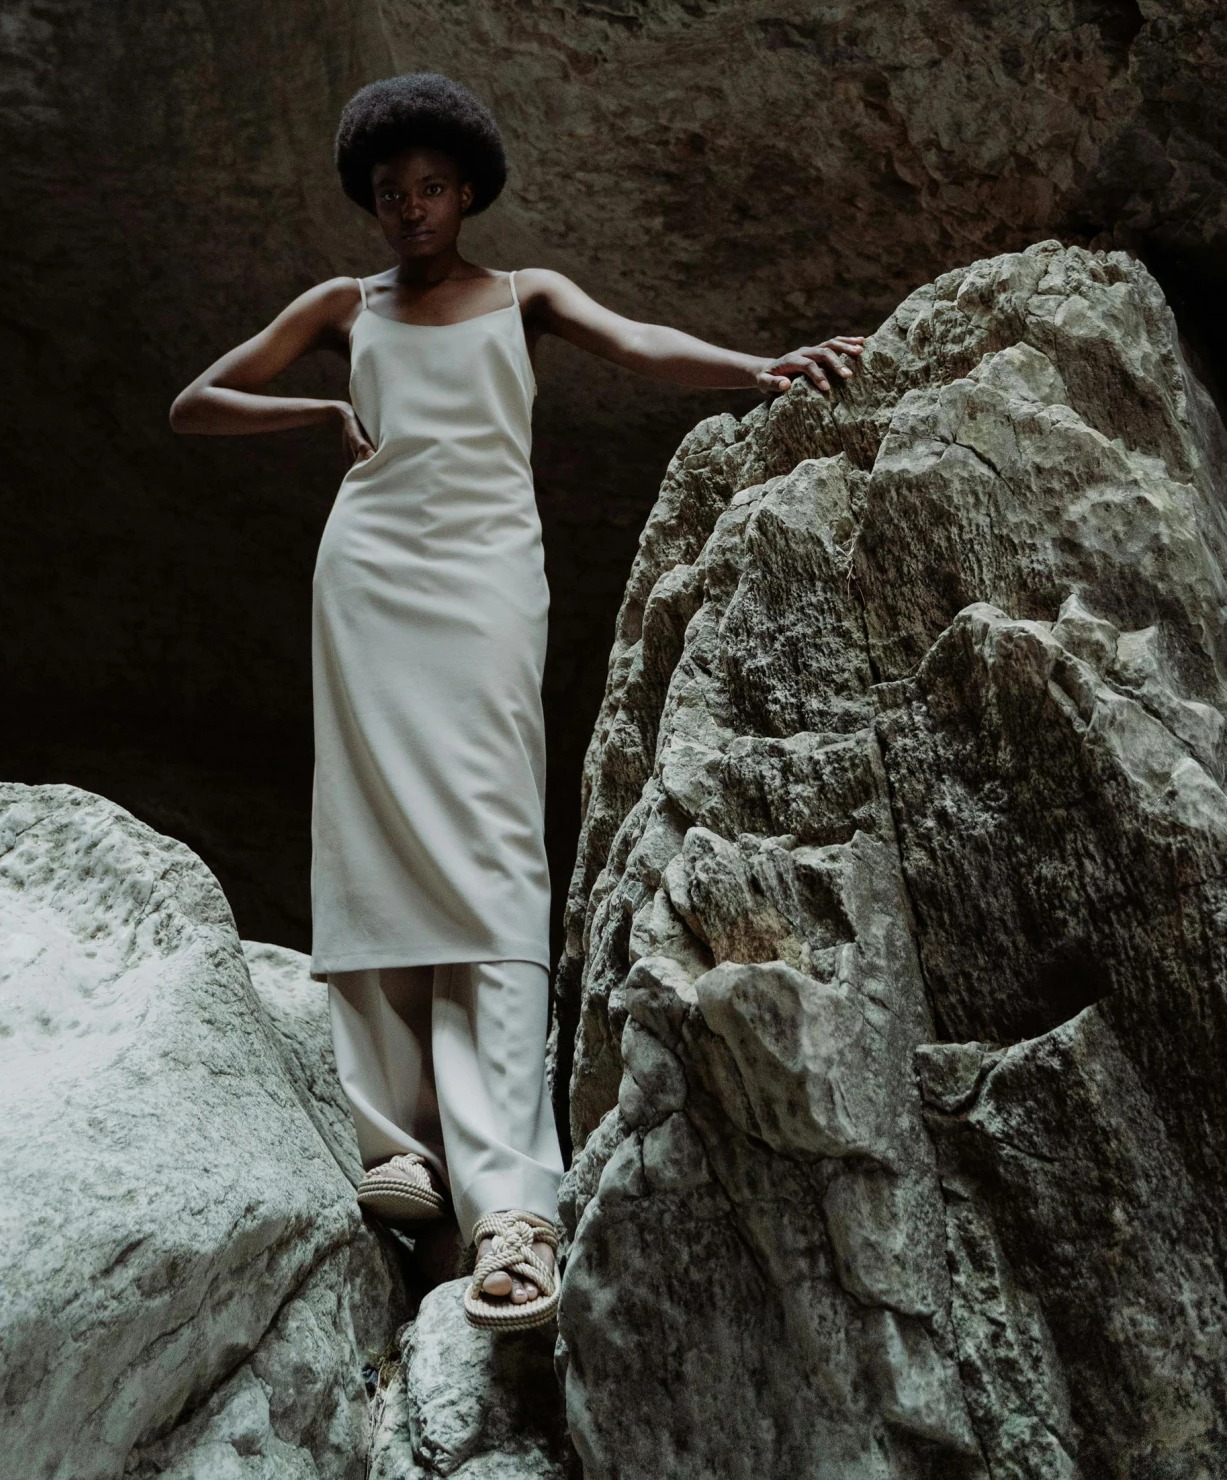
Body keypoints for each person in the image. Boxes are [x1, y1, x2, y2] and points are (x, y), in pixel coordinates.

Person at [169, 74, 864, 1331]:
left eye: (429, 187)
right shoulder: (345, 305)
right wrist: (319, 403)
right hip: (370, 575)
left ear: (468, 189)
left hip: (487, 577)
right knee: (371, 822)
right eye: (389, 192)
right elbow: (194, 399)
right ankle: (397, 1142)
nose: (409, 208)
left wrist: (758, 363)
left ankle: (514, 1208)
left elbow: (639, 341)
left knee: (490, 844)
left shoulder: (523, 294)